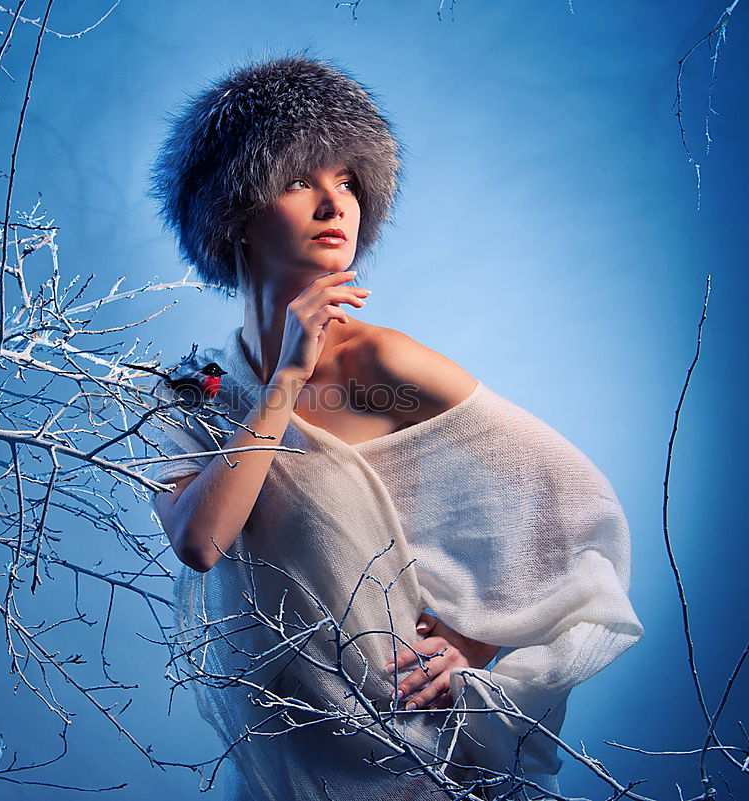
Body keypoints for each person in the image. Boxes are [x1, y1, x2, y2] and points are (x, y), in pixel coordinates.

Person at [142, 50, 644, 801]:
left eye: (347, 180)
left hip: (403, 744)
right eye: (298, 178)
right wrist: (285, 379)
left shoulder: (380, 361)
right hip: (276, 749)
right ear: (234, 212)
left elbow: (574, 508)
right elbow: (201, 540)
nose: (333, 201)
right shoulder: (191, 387)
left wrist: (474, 639)